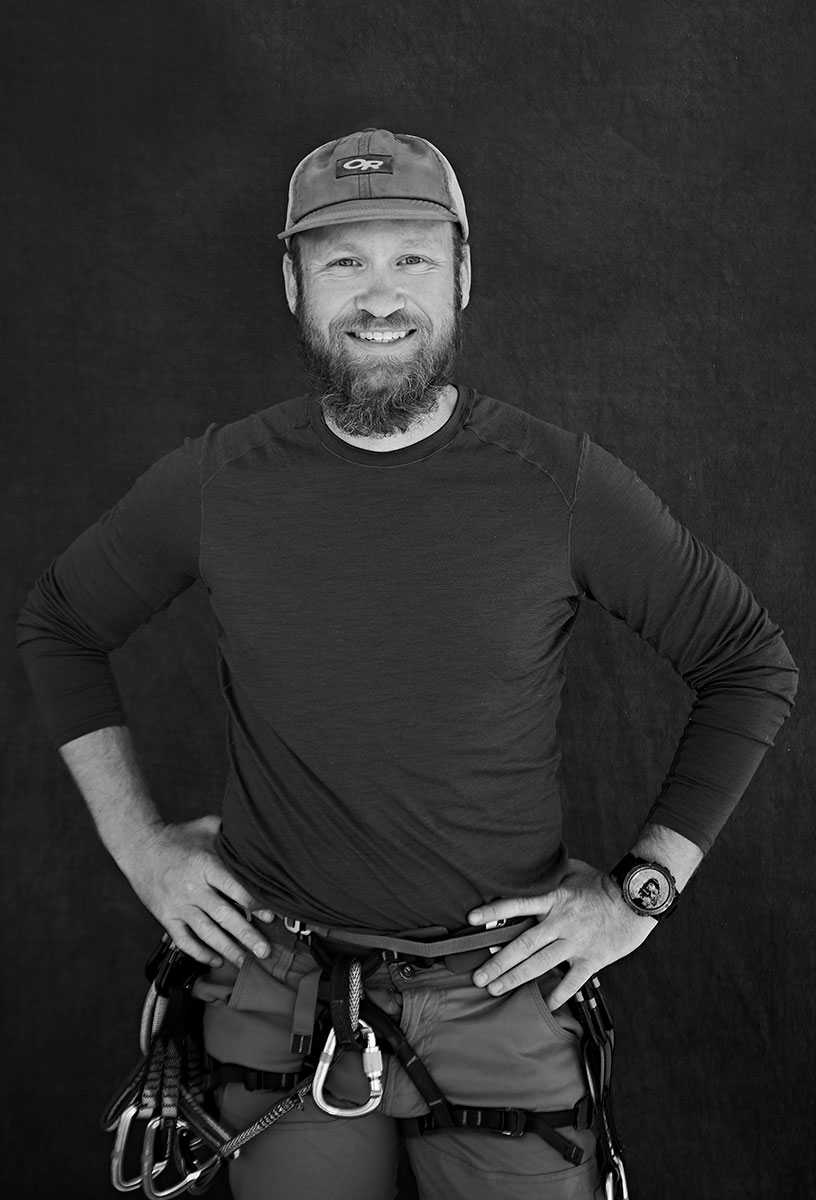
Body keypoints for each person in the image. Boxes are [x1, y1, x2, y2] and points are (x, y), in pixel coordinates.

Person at [16, 128, 798, 1200]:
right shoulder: (214, 480)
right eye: (344, 262)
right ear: (292, 282)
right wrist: (140, 845)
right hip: (274, 990)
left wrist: (641, 892)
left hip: (498, 996)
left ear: (464, 275)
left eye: (412, 259)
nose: (379, 297)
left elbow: (748, 662)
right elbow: (59, 623)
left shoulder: (559, 484)